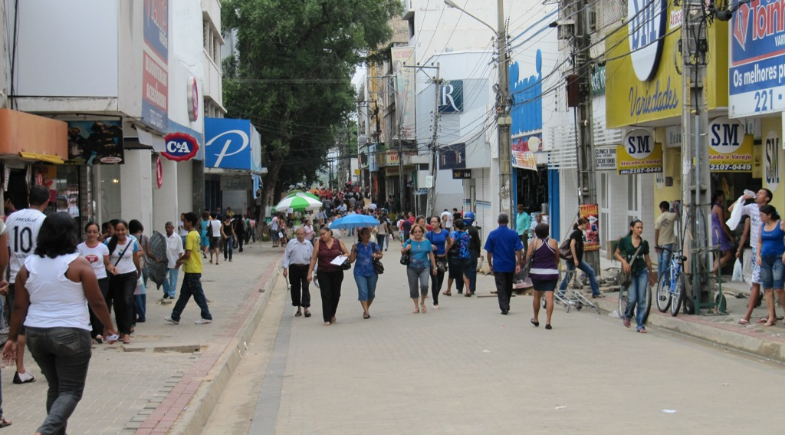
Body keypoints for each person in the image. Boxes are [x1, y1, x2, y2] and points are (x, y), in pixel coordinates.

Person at [2, 212, 118, 435]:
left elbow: (19, 307)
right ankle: (44, 431)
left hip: (36, 334)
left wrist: (12, 339)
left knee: (55, 388)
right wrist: (109, 327)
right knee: (71, 390)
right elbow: (96, 301)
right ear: (71, 235)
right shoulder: (79, 264)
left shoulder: (28, 266)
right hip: (71, 333)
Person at [5, 184, 49, 384]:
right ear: (47, 201)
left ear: (29, 198)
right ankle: (34, 367)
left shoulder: (12, 217)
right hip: (36, 275)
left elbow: (7, 247)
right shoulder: (43, 220)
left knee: (19, 319)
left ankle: (20, 367)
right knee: (38, 321)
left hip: (15, 274)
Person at [733, 189, 774, 324]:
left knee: (761, 283)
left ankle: (750, 315)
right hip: (756, 249)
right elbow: (732, 209)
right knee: (761, 283)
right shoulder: (751, 207)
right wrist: (742, 199)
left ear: (767, 198)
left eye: (761, 193)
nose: (758, 194)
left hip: (765, 249)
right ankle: (768, 315)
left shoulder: (770, 212)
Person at [165, 212, 213, 325]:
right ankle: (175, 315)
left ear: (190, 222)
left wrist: (179, 260)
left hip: (192, 269)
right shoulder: (196, 234)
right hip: (192, 268)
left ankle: (206, 315)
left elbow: (188, 254)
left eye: (185, 221)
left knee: (198, 294)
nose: (183, 223)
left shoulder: (190, 236)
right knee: (184, 294)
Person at [615, 219, 656, 333]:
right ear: (632, 228)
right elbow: (616, 253)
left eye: (641, 228)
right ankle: (627, 315)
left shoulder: (644, 243)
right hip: (630, 273)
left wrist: (651, 275)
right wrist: (624, 262)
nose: (640, 230)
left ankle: (640, 324)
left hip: (642, 271)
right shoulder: (625, 241)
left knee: (642, 299)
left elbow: (647, 260)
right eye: (638, 227)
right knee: (632, 298)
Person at [106, 220, 142, 344]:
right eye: (118, 230)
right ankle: (121, 330)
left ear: (126, 230)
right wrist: (111, 268)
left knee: (127, 300)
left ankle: (127, 332)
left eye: (123, 230)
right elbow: (106, 260)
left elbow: (136, 258)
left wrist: (139, 270)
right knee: (118, 303)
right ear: (114, 231)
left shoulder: (132, 242)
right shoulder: (109, 242)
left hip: (130, 275)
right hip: (115, 276)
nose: (120, 232)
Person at [307, 228, 350, 326]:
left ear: (330, 233)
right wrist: (309, 273)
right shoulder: (318, 243)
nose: (322, 236)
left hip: (337, 272)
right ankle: (327, 318)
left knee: (336, 294)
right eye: (320, 234)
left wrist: (343, 256)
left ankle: (332, 313)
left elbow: (347, 253)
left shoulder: (338, 242)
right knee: (326, 294)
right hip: (323, 272)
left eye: (324, 234)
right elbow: (313, 258)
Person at [77, 222, 111, 344]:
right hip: (85, 279)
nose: (92, 234)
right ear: (86, 233)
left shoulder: (103, 247)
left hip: (101, 278)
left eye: (94, 232)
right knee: (87, 305)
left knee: (99, 303)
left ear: (98, 233)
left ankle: (99, 331)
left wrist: (112, 269)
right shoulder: (80, 248)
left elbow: (107, 263)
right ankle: (90, 331)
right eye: (89, 232)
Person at [484, 213, 524, 315]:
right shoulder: (513, 234)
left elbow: (489, 252)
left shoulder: (492, 234)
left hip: (498, 265)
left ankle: (504, 307)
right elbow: (518, 250)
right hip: (510, 265)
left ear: (498, 221)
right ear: (508, 221)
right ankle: (506, 304)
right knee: (509, 286)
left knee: (500, 286)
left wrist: (490, 264)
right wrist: (519, 264)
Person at [558, 218, 602, 298]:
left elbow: (577, 246)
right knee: (568, 277)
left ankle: (596, 292)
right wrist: (575, 259)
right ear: (583, 223)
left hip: (578, 260)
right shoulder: (576, 233)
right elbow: (572, 245)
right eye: (587, 224)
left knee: (591, 272)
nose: (587, 226)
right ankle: (560, 295)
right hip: (572, 260)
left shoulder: (580, 233)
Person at [756, 205, 785, 327]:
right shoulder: (762, 226)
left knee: (778, 288)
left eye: (762, 215)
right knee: (767, 288)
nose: (760, 217)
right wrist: (758, 255)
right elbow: (759, 241)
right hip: (765, 258)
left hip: (778, 257)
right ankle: (771, 316)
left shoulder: (781, 224)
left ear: (769, 215)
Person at [527, 223, 560, 329]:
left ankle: (536, 318)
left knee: (537, 295)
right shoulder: (554, 242)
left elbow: (527, 257)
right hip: (551, 272)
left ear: (536, 233)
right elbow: (557, 258)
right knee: (549, 296)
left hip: (536, 272)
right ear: (547, 231)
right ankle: (548, 322)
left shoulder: (533, 242)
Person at [348, 227, 383, 319]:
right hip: (359, 272)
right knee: (363, 292)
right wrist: (352, 250)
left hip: (372, 272)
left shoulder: (373, 245)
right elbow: (351, 260)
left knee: (371, 294)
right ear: (361, 235)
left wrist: (376, 255)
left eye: (369, 233)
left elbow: (380, 254)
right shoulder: (357, 246)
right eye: (366, 234)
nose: (368, 235)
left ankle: (366, 308)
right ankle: (366, 311)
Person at [402, 224, 437, 314]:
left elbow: (431, 254)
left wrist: (434, 266)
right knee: (413, 287)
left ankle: (422, 302)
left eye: (419, 231)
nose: (417, 233)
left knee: (424, 285)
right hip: (411, 267)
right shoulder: (409, 241)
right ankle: (416, 306)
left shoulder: (426, 242)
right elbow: (402, 250)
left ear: (422, 232)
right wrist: (406, 249)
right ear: (413, 233)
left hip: (425, 267)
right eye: (415, 232)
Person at [283, 227, 313, 318]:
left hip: (305, 267)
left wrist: (314, 271)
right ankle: (298, 308)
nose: (299, 236)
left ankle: (306, 308)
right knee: (295, 288)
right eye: (298, 234)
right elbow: (286, 255)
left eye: (301, 234)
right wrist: (285, 268)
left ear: (305, 234)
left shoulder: (308, 244)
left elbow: (313, 258)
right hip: (294, 268)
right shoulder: (292, 243)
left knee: (305, 287)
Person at [427, 216, 451, 307]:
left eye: (434, 222)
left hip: (442, 259)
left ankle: (436, 295)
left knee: (440, 281)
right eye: (431, 222)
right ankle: (435, 301)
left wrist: (446, 252)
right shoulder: (429, 234)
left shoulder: (445, 232)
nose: (432, 223)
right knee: (434, 280)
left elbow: (449, 242)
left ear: (439, 223)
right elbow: (426, 245)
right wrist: (430, 247)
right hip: (433, 259)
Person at [711, 191, 736, 275]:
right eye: (722, 196)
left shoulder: (713, 207)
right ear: (718, 197)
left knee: (718, 255)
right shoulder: (718, 208)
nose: (724, 197)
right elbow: (722, 224)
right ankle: (714, 271)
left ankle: (715, 275)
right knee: (728, 254)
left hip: (714, 231)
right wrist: (730, 236)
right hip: (719, 232)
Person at [654, 201, 678, 280]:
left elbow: (656, 232)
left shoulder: (659, 219)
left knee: (660, 262)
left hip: (660, 243)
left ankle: (660, 279)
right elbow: (678, 215)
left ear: (662, 208)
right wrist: (674, 206)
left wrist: (656, 244)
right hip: (668, 243)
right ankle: (665, 279)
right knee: (666, 262)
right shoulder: (672, 216)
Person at [449, 219, 473, 296]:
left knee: (452, 273)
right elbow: (468, 243)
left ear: (455, 225)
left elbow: (451, 243)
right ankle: (468, 290)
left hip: (456, 255)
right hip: (466, 254)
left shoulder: (453, 234)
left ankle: (448, 290)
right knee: (466, 272)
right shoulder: (466, 234)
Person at [164, 221, 184, 300]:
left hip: (174, 260)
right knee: (162, 277)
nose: (167, 229)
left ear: (173, 228)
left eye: (169, 227)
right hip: (165, 261)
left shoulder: (177, 238)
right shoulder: (163, 237)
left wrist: (179, 261)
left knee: (173, 278)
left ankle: (172, 293)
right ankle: (166, 291)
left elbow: (180, 251)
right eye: (166, 227)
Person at [463, 211, 481, 296]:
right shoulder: (474, 230)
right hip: (472, 251)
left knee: (464, 270)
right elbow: (477, 242)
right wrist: (478, 252)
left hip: (463, 252)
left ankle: (461, 288)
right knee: (473, 270)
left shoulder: (461, 229)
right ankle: (472, 288)